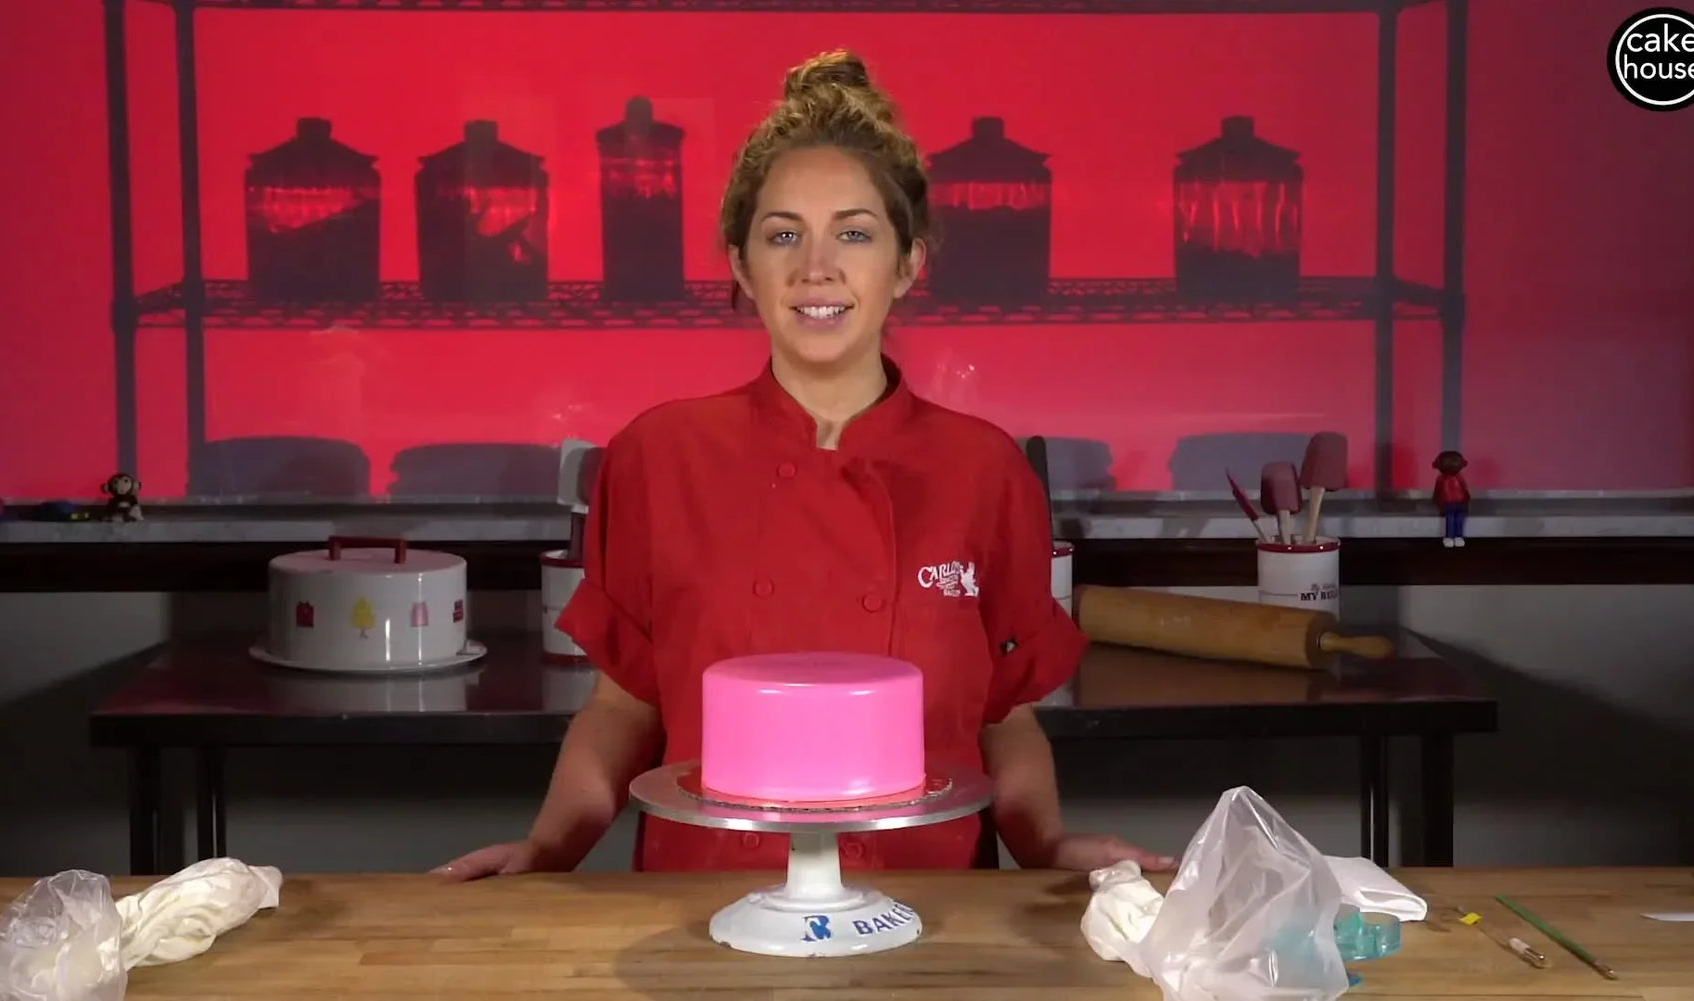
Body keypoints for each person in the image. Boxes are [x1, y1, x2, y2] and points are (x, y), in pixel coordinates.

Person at [436, 49, 1173, 879]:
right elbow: (623, 707)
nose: (816, 267)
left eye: (854, 234)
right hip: (701, 901)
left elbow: (1005, 718)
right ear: (741, 266)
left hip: (931, 908)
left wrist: (1048, 848)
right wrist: (548, 850)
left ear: (908, 264)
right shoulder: (658, 457)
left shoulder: (985, 471)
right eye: (783, 234)